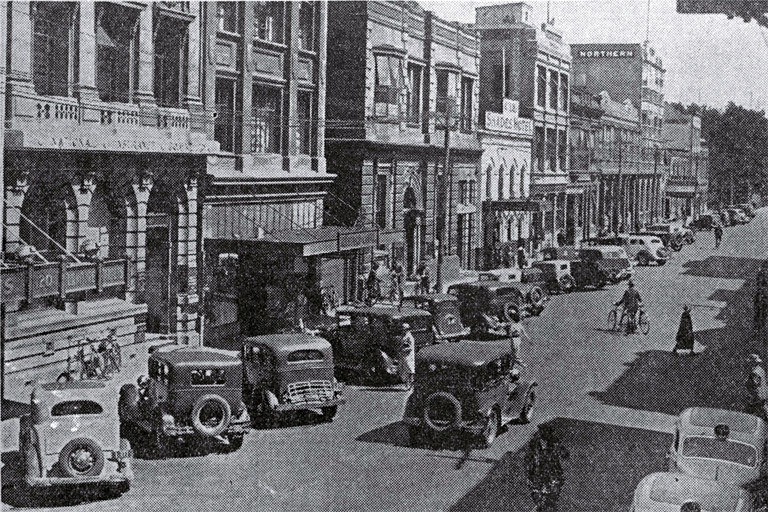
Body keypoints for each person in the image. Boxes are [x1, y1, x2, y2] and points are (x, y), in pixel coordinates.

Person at [525, 423, 570, 512]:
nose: (543, 434)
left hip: (551, 473)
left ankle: (545, 507)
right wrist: (529, 470)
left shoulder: (555, 442)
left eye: (545, 432)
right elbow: (529, 457)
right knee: (538, 494)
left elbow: (565, 454)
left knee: (551, 497)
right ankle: (540, 507)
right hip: (540, 473)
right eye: (542, 432)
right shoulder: (535, 443)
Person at [746, 354, 768, 419]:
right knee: (765, 410)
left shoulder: (754, 373)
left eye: (750, 362)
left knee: (751, 413)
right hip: (763, 394)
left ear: (753, 362)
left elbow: (755, 384)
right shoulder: (761, 370)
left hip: (758, 397)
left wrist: (748, 383)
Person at [399, 323, 416, 390]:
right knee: (404, 370)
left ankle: (411, 386)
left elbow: (411, 347)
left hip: (409, 356)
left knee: (410, 371)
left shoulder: (410, 337)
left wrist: (404, 349)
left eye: (404, 328)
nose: (402, 329)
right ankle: (407, 385)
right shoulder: (403, 336)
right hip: (404, 356)